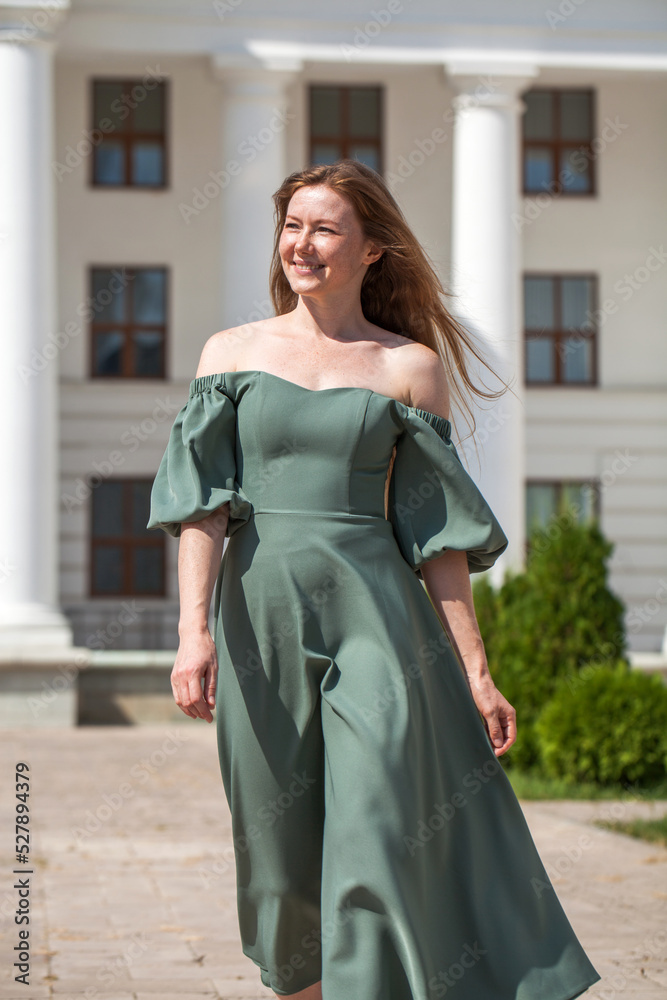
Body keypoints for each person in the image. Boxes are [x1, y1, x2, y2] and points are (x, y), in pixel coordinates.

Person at [147, 159, 601, 1000]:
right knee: (276, 855)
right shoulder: (230, 354)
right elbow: (200, 508)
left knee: (377, 826)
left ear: (371, 252)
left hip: (377, 621)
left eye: (325, 229)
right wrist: (192, 632)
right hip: (260, 620)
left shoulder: (407, 368)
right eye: (292, 225)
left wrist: (474, 669)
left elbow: (435, 536)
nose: (302, 244)